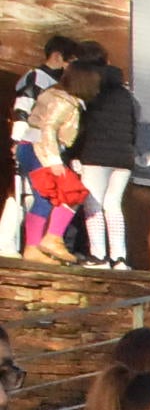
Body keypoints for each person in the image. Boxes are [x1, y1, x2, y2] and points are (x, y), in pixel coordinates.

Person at [3, 35, 75, 257]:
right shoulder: (36, 77)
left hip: (46, 147)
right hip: (31, 144)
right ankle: (6, 242)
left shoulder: (60, 84)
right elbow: (22, 109)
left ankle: (32, 244)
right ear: (57, 56)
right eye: (68, 61)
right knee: (24, 194)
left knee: (37, 197)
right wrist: (17, 141)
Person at [17, 59, 90, 267]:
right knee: (73, 193)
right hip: (43, 150)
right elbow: (49, 127)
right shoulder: (65, 100)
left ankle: (32, 247)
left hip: (30, 147)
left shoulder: (51, 92)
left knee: (44, 198)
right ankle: (52, 238)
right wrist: (54, 160)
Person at [68, 54, 136, 271]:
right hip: (124, 157)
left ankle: (99, 256)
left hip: (95, 155)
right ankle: (120, 258)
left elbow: (84, 127)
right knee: (114, 205)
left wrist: (75, 153)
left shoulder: (93, 91)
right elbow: (134, 126)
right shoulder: (125, 94)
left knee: (93, 204)